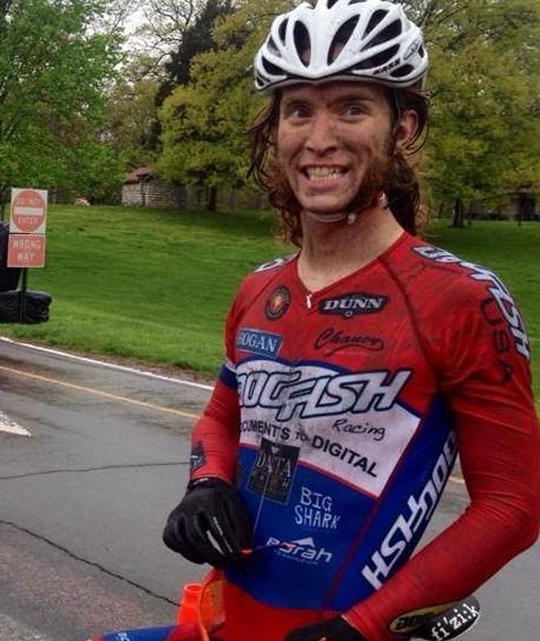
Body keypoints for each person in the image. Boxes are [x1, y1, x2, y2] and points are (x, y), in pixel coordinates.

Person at [94, 1, 539, 640]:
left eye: (351, 107)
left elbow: (513, 507)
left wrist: (368, 627)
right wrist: (207, 483)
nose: (319, 138)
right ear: (275, 129)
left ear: (404, 127)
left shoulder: (459, 298)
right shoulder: (259, 288)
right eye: (299, 109)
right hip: (224, 621)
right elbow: (223, 414)